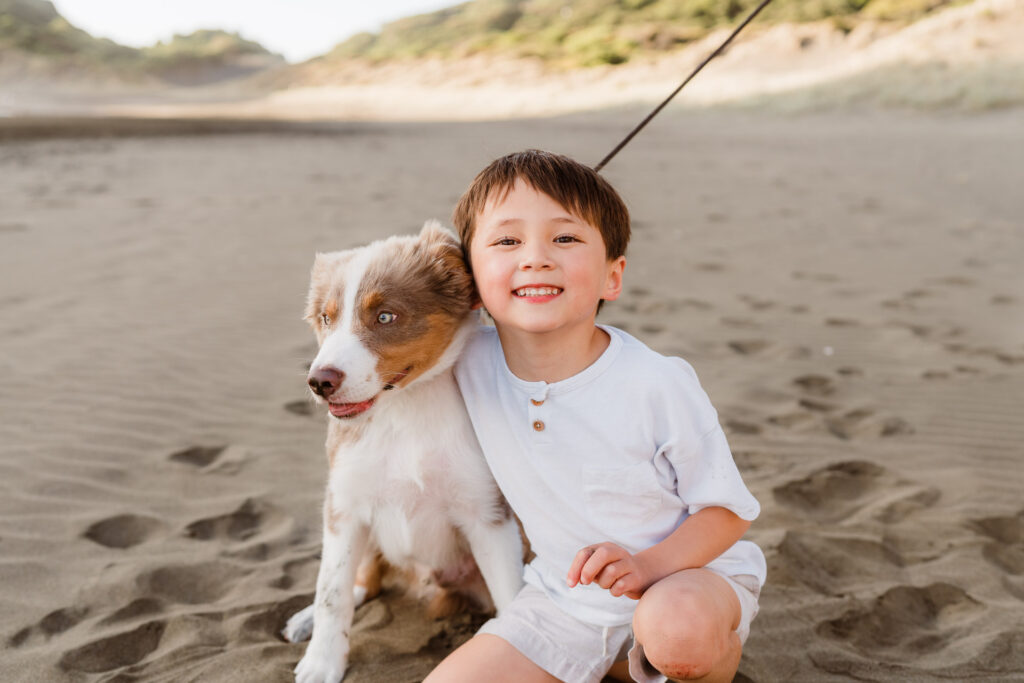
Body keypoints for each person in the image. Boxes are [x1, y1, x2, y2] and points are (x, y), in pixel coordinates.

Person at [425, 150, 765, 683]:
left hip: (684, 578)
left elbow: (728, 512)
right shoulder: (464, 360)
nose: (535, 257)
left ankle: (694, 661)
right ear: (468, 279)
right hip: (563, 600)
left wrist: (648, 567)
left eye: (565, 238)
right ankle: (616, 664)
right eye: (506, 240)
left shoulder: (656, 381)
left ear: (612, 276)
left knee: (679, 633)